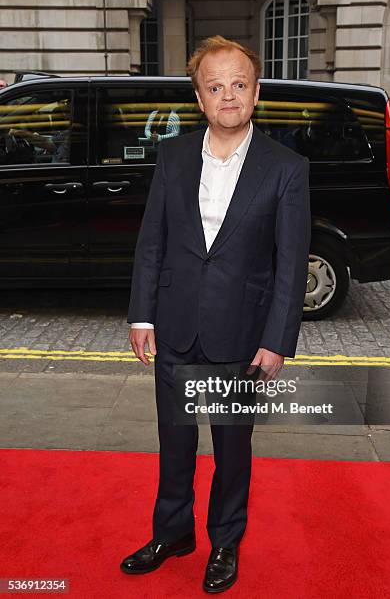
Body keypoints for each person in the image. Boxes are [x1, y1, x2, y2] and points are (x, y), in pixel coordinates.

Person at [121, 35, 311, 593]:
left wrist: (277, 340)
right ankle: (172, 533)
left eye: (239, 84)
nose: (228, 96)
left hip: (242, 334)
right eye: (215, 86)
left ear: (255, 93)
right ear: (199, 99)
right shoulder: (173, 157)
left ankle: (225, 541)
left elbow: (291, 264)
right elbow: (151, 242)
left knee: (233, 447)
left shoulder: (287, 168)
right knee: (174, 442)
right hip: (175, 328)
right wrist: (141, 315)